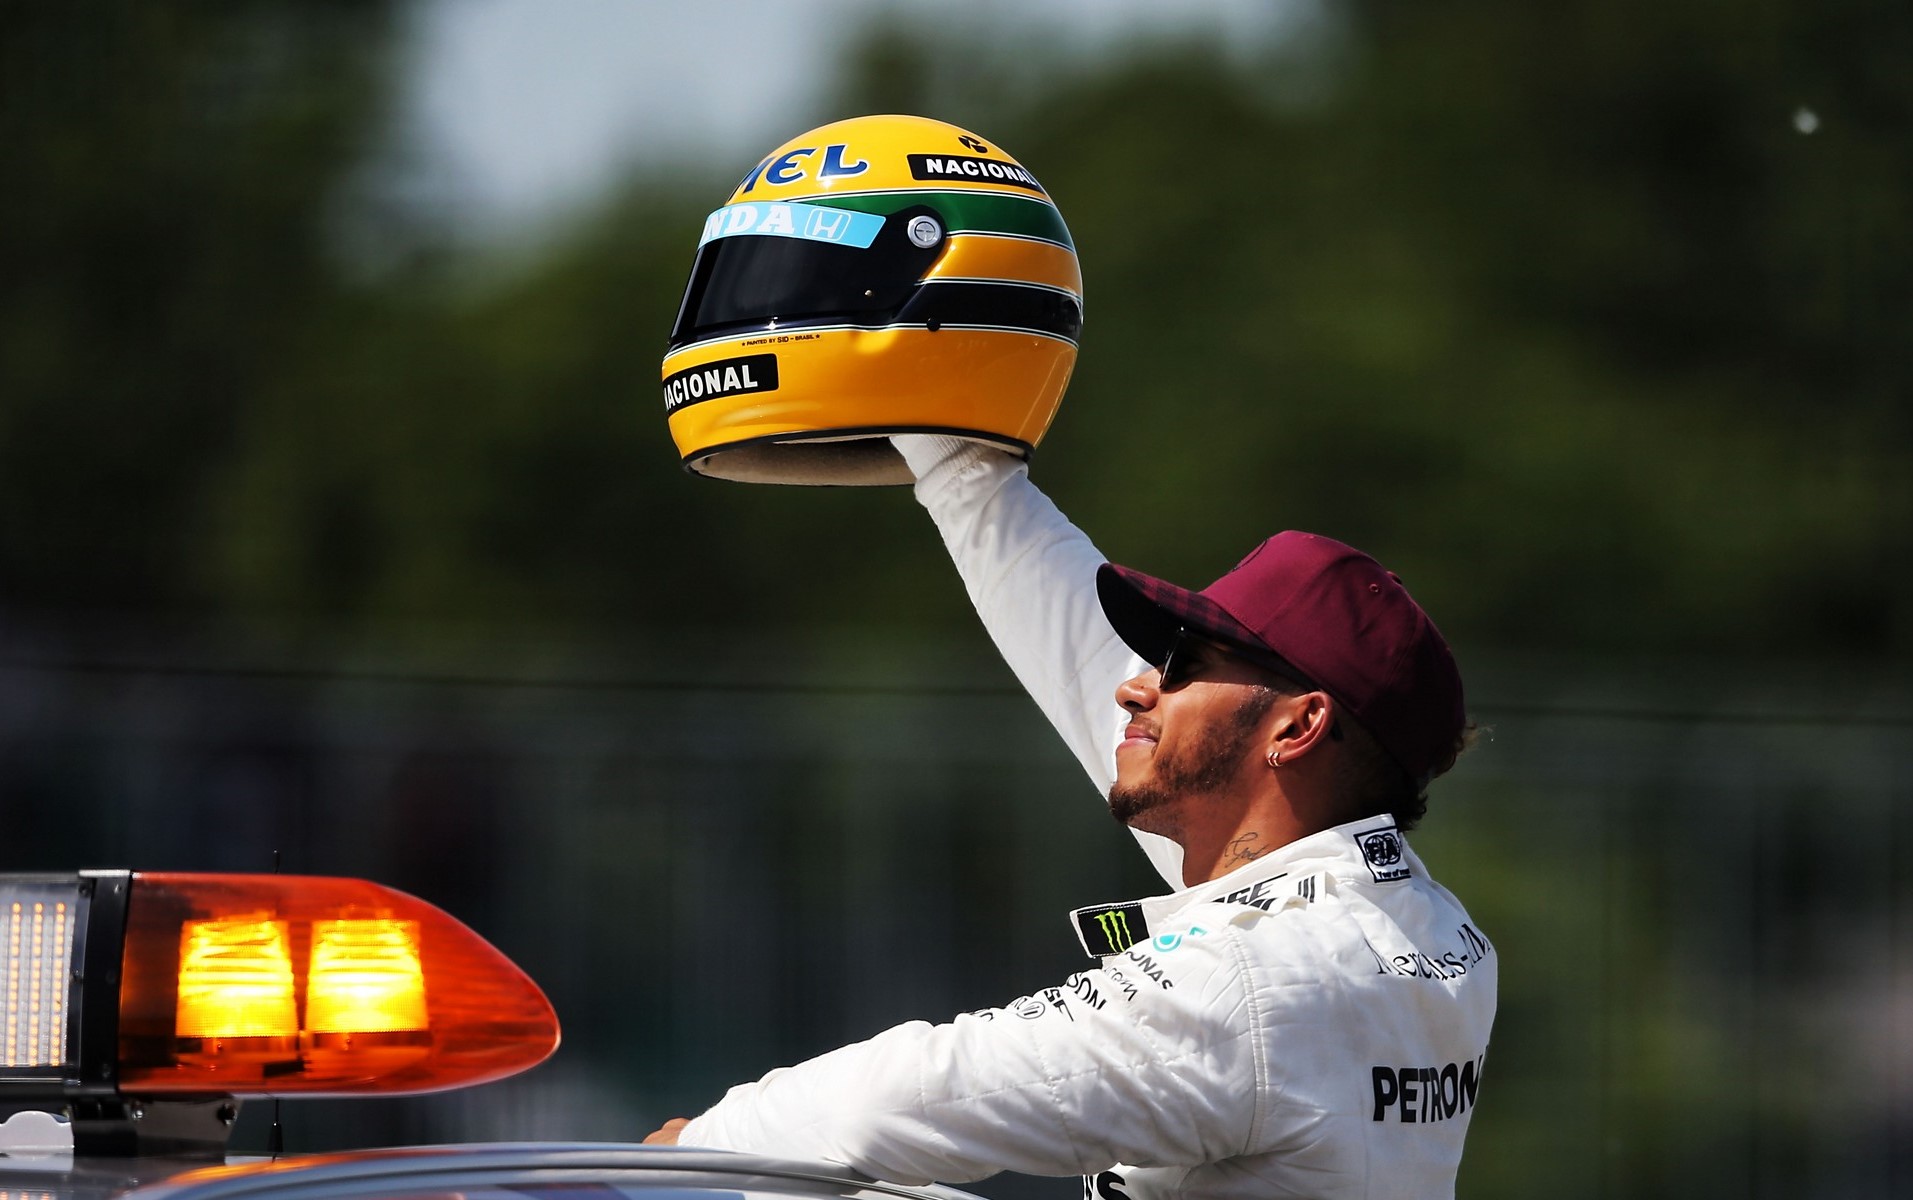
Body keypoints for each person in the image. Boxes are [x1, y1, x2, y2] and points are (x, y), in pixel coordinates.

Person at [645, 436, 1497, 1200]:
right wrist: (959, 465)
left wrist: (702, 1151)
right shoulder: (1410, 918)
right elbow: (1087, 662)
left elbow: (910, 1100)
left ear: (1297, 727)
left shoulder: (1258, 979)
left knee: (761, 1185)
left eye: (1185, 665)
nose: (1135, 688)